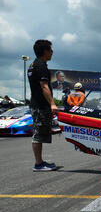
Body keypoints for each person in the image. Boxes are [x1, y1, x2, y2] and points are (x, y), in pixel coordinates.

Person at [28, 40, 58, 172]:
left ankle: (40, 162)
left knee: (39, 132)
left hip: (36, 103)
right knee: (38, 133)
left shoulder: (33, 64)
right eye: (50, 50)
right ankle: (38, 164)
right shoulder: (41, 66)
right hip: (40, 105)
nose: (52, 52)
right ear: (45, 51)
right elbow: (44, 86)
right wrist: (52, 104)